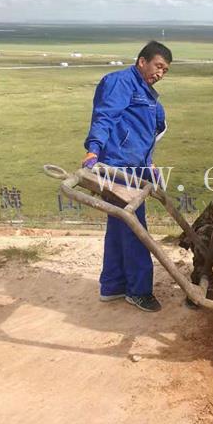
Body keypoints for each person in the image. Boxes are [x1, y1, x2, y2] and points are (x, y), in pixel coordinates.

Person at [82, 41, 171, 312]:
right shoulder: (121, 83)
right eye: (158, 66)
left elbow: (141, 132)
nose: (161, 73)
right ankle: (138, 291)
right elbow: (105, 117)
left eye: (165, 70)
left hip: (135, 166)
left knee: (120, 225)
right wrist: (93, 150)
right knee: (135, 228)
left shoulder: (144, 90)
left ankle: (112, 286)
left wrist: (150, 164)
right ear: (142, 61)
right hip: (119, 168)